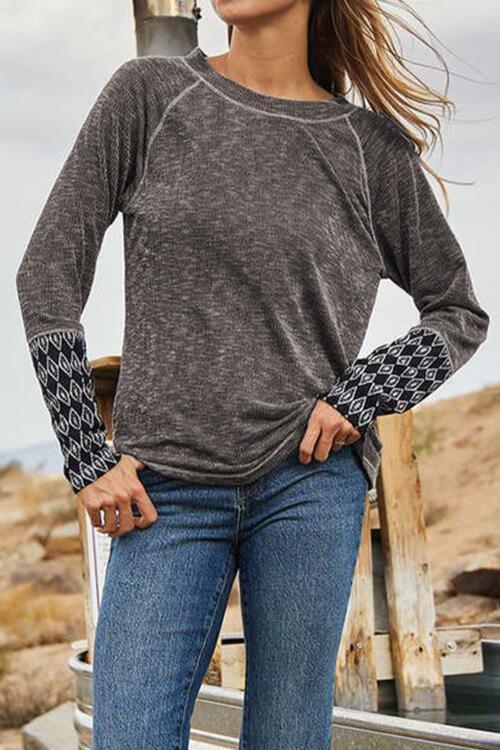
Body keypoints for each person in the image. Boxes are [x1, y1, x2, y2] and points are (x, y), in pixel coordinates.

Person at [16, 0, 489, 748]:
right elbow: (47, 276)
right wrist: (83, 454)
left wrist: (362, 393)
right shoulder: (148, 95)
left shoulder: (368, 148)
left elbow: (457, 311)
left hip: (309, 486)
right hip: (162, 491)